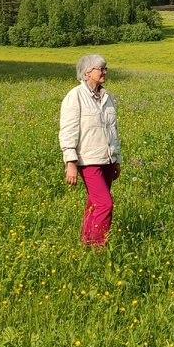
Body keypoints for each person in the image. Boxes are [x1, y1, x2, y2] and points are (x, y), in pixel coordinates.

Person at [59, 54, 121, 247]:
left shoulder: (107, 96)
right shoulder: (75, 96)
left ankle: (86, 241)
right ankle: (98, 246)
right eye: (100, 69)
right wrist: (70, 162)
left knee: (94, 204)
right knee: (105, 204)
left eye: (105, 68)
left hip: (107, 160)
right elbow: (68, 131)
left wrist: (116, 159)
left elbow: (113, 130)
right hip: (88, 160)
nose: (104, 72)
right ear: (87, 73)